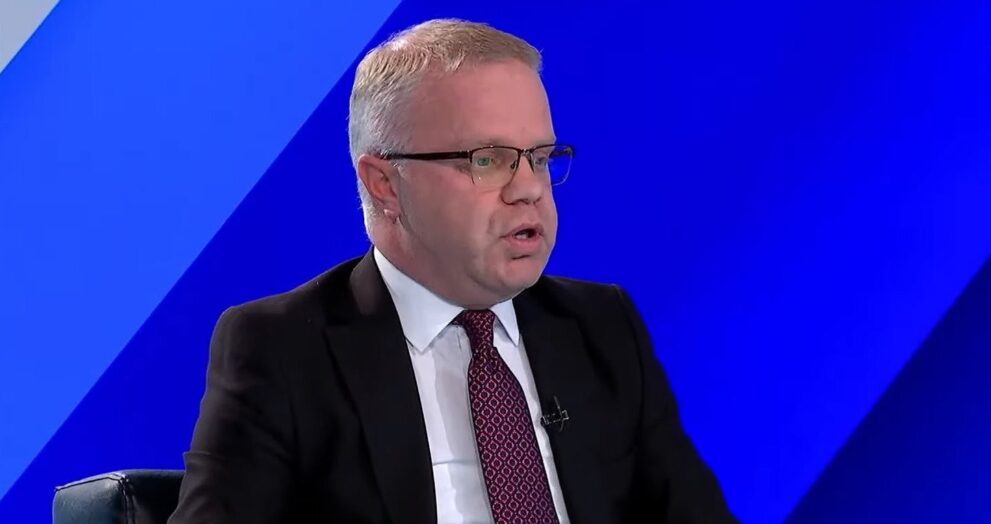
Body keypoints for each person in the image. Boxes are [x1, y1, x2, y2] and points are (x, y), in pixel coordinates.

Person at [169, 18, 736, 524]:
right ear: (384, 184)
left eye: (539, 158)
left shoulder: (601, 326)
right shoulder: (284, 349)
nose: (529, 189)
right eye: (487, 160)